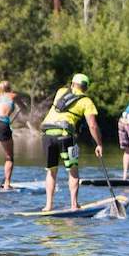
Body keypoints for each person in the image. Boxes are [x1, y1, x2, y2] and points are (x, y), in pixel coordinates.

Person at [39, 73, 102, 211]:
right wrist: (99, 144)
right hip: (65, 136)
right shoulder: (87, 101)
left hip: (47, 135)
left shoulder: (61, 91)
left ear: (72, 83)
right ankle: (74, 205)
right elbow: (93, 125)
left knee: (51, 171)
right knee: (73, 170)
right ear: (86, 88)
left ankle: (48, 206)